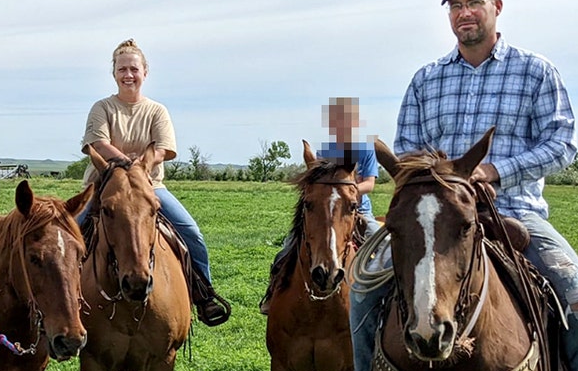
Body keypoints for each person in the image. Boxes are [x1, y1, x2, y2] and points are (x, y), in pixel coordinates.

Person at [349, 0, 578, 371]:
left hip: (514, 211)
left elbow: (562, 143)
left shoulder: (536, 71)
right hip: (435, 219)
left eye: (474, 3)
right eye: (455, 6)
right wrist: (439, 183)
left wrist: (495, 170)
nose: (464, 14)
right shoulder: (427, 79)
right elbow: (406, 150)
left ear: (496, 8)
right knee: (362, 287)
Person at [80, 38, 229, 326]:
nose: (128, 75)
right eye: (122, 69)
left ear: (145, 72)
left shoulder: (157, 111)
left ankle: (204, 294)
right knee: (70, 232)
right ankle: (61, 303)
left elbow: (163, 148)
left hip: (150, 188)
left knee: (191, 233)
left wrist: (140, 168)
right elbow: (97, 142)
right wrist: (128, 163)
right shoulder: (103, 108)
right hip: (103, 188)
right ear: (114, 73)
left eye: (134, 69)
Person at [258, 97, 380, 315]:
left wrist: (345, 194)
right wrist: (328, 195)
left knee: (383, 244)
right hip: (327, 211)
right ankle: (272, 293)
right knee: (286, 249)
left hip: (358, 210)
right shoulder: (327, 151)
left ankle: (387, 300)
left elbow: (369, 183)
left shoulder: (366, 149)